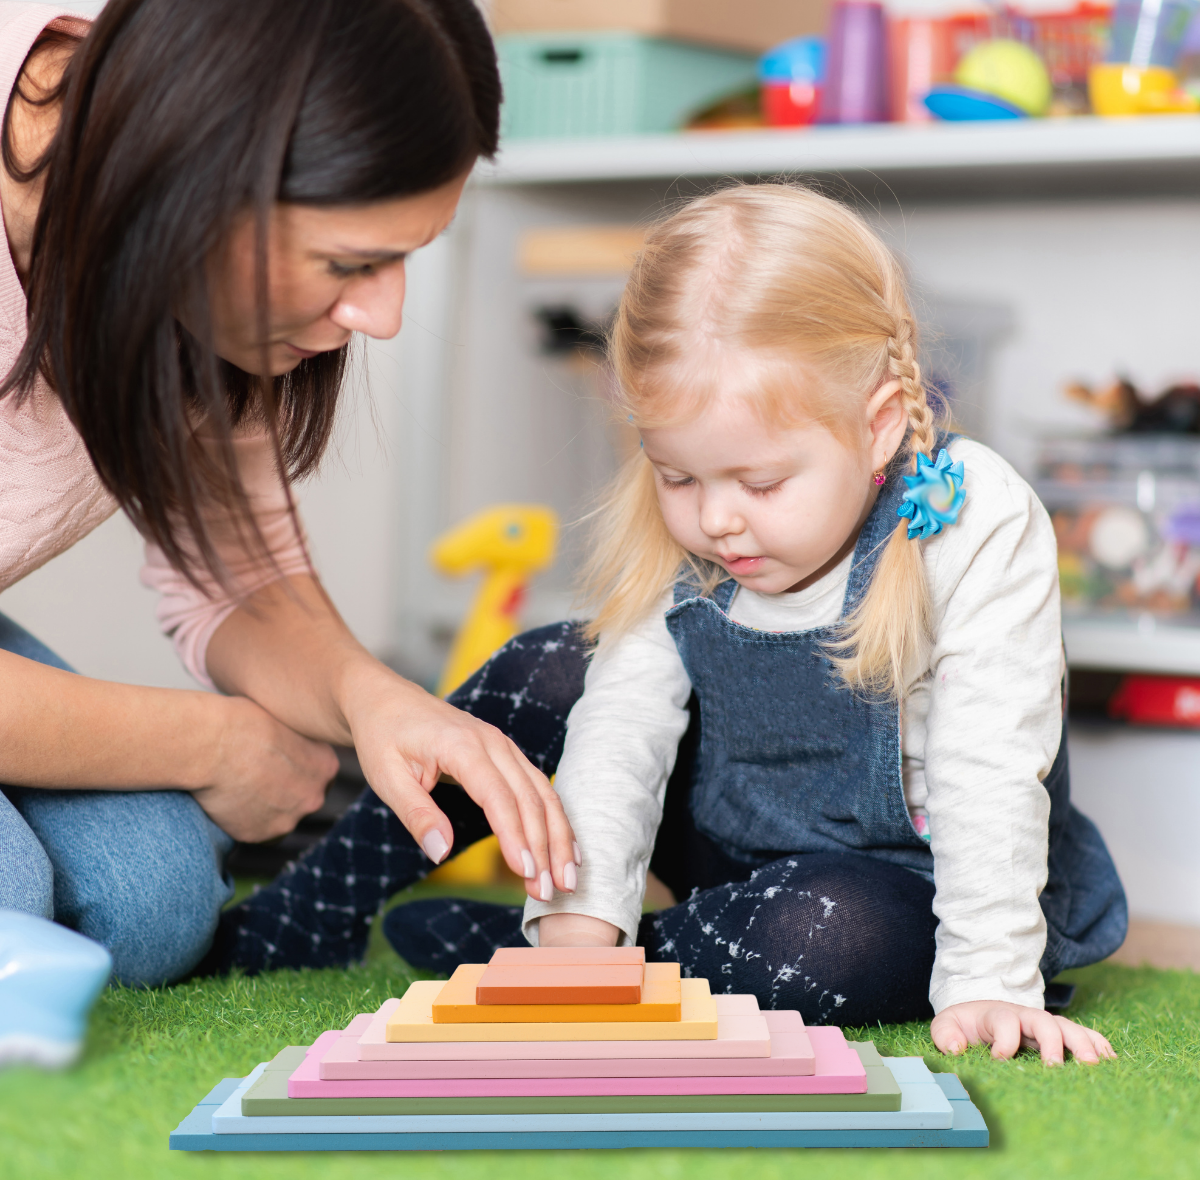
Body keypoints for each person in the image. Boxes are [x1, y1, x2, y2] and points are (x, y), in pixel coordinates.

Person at [219, 184, 1127, 1067]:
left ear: (880, 427)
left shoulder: (975, 519)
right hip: (726, 841)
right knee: (552, 670)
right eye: (678, 476)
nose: (717, 520)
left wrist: (991, 977)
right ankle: (310, 911)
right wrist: (579, 923)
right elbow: (621, 732)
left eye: (762, 484)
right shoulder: (694, 535)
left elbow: (990, 763)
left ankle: (587, 954)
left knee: (830, 937)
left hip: (904, 891)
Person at [0, 0, 577, 989]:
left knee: (156, 904)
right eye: (349, 261)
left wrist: (374, 700)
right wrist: (207, 741)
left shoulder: (169, 271)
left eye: (405, 260)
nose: (384, 317)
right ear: (188, 185)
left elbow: (240, 579)